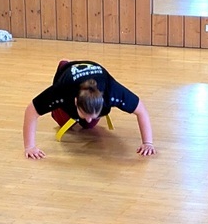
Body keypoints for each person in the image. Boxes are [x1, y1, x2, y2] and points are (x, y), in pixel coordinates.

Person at [23, 60, 154, 158]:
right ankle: (64, 64)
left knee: (88, 125)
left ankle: (89, 114)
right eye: (85, 113)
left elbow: (141, 110)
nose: (89, 118)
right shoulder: (62, 91)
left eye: (93, 114)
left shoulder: (112, 91)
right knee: (64, 123)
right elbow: (31, 111)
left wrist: (148, 143)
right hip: (66, 77)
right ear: (76, 102)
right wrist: (30, 147)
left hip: (96, 82)